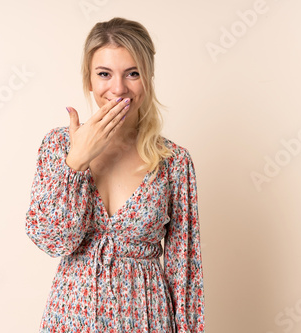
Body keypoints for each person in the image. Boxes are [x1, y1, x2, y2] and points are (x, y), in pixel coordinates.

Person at [25, 17, 205, 332]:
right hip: (71, 318)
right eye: (104, 74)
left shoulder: (173, 162)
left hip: (146, 320)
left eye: (132, 73)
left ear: (148, 77)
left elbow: (184, 273)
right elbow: (52, 241)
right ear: (89, 79)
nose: (118, 88)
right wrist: (77, 162)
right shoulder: (58, 146)